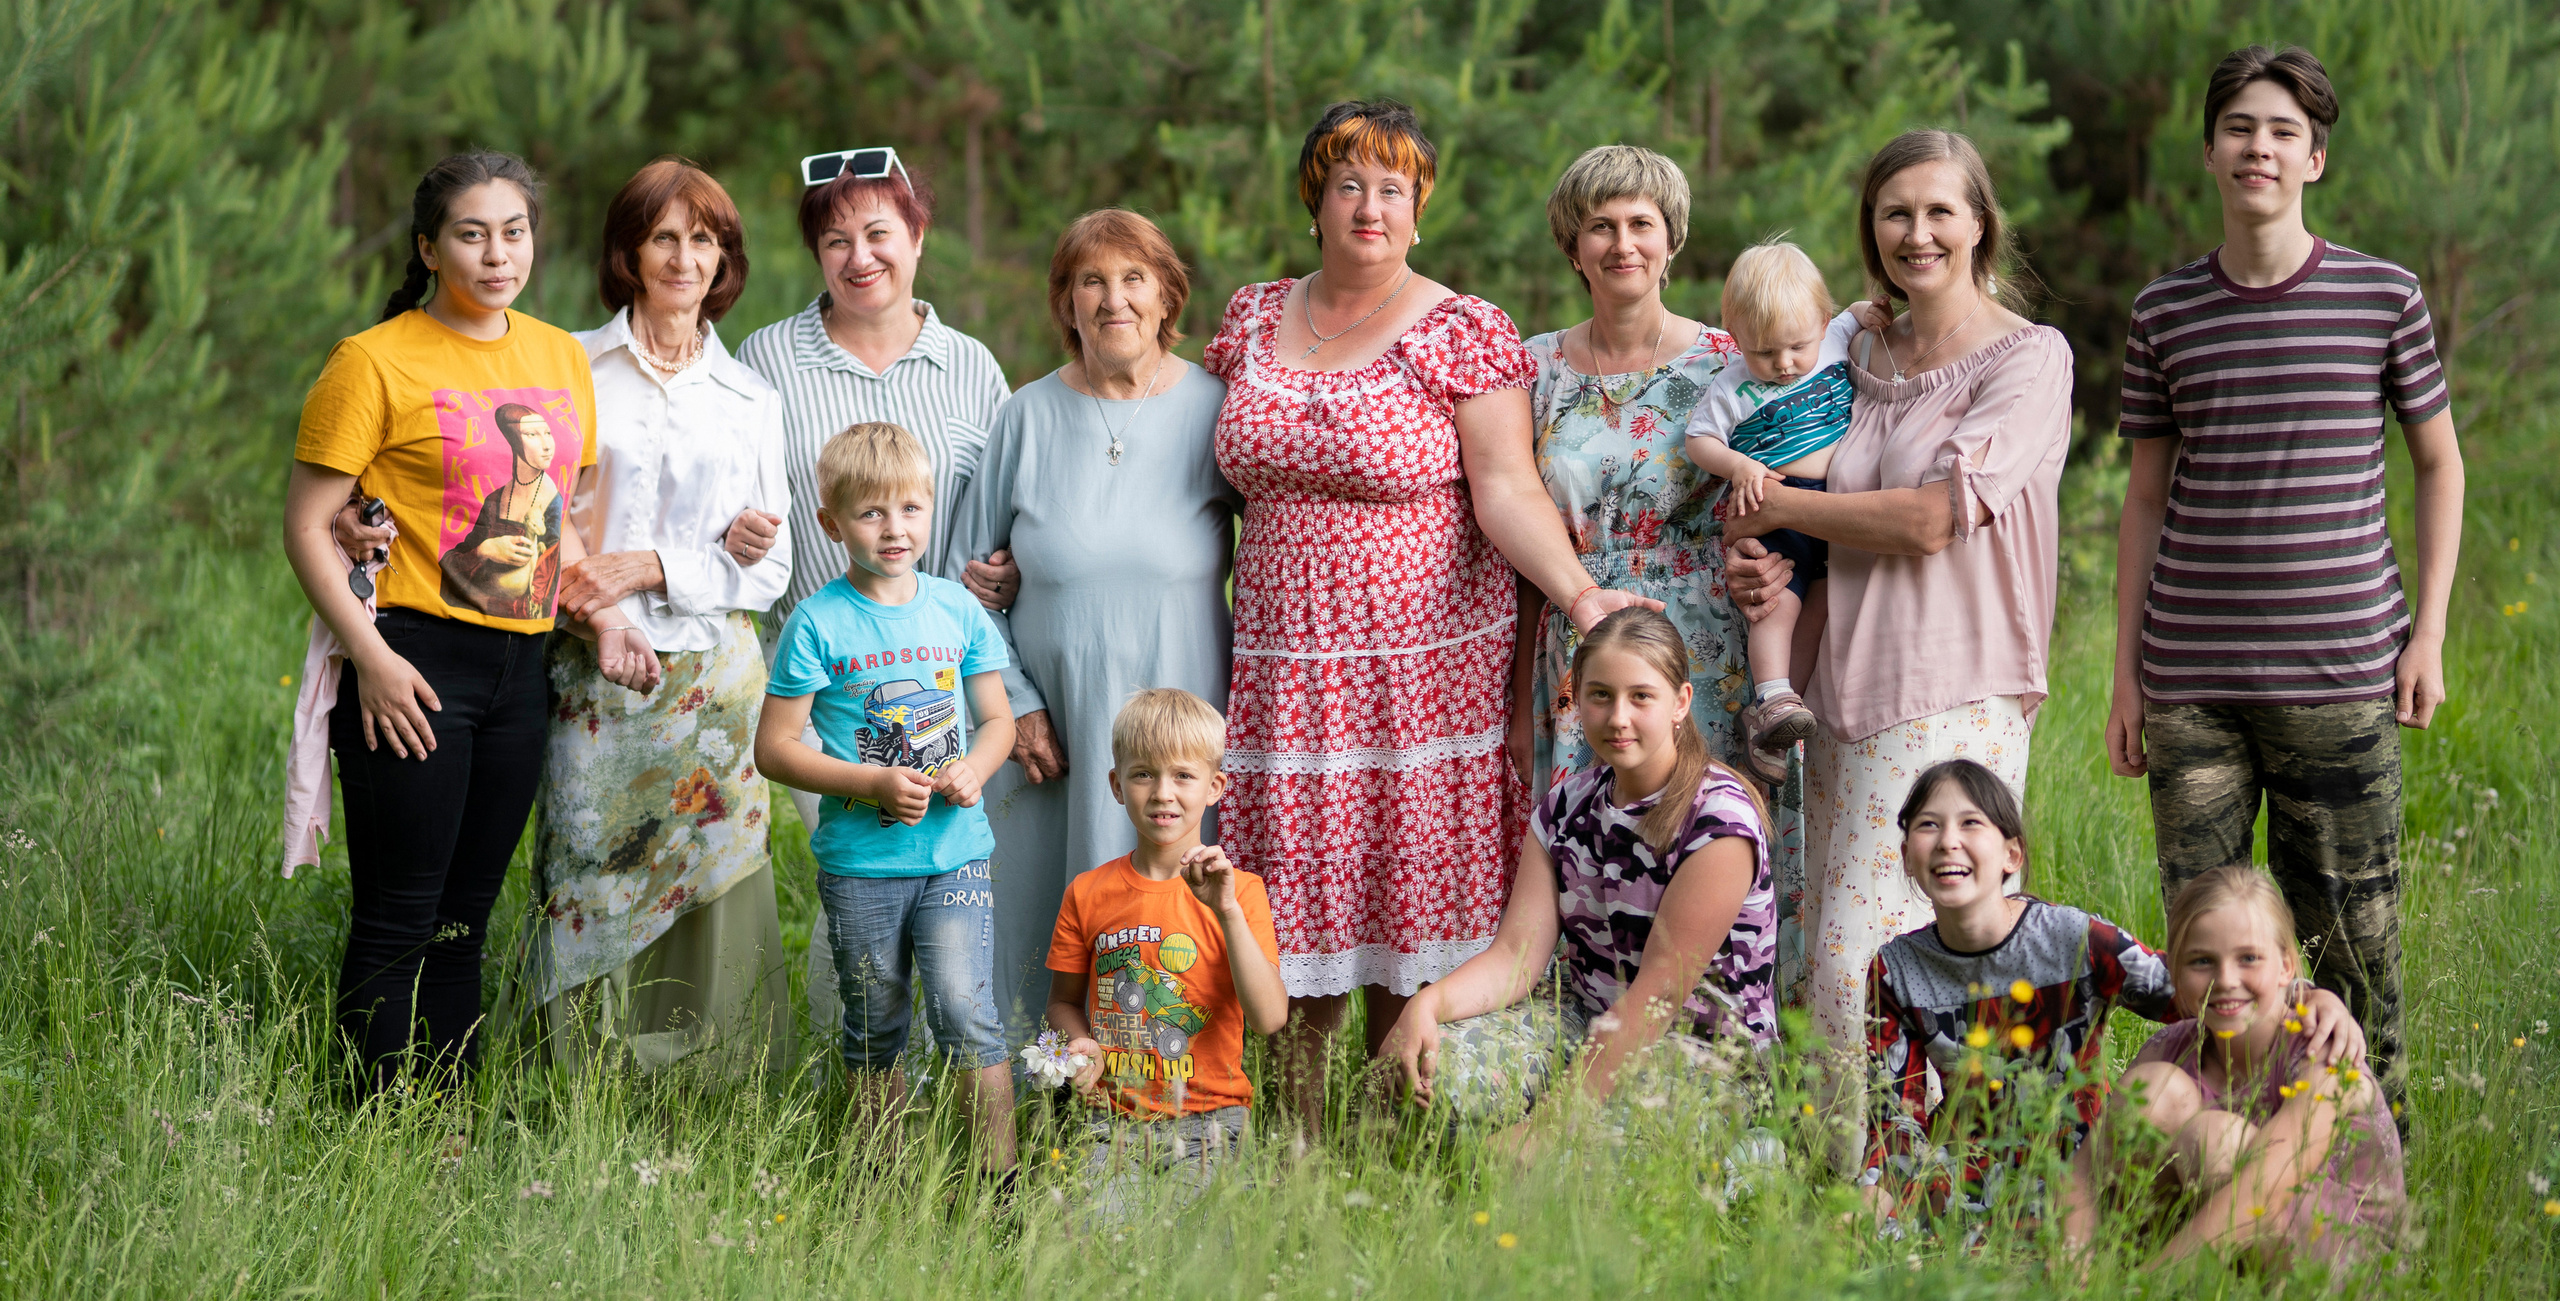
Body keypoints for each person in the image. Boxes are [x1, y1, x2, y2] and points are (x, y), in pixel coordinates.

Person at [1203, 99, 1656, 1136]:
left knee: (1398, 909)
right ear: (1314, 200)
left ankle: (1395, 1137)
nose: (1370, 206)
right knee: (1302, 902)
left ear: (1419, 212)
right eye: (1348, 183)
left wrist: (1581, 597)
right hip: (1284, 669)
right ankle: (1301, 1142)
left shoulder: (1460, 329)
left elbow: (1505, 488)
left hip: (1419, 670)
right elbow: (1199, 466)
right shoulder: (1249, 318)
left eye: (1394, 189)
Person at [2106, 45, 2461, 1125]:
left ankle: (2364, 1178)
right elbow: (2143, 502)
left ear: (2313, 157)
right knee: (2205, 956)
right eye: (2238, 129)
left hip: (2340, 676)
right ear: (2211, 151)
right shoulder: (2164, 311)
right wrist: (2125, 678)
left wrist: (2428, 633)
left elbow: (2439, 462)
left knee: (2353, 941)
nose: (2257, 147)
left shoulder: (2380, 294)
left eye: (2280, 132)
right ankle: (2212, 1164)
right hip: (2189, 686)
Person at [280, 150, 639, 1089]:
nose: (496, 254)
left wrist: (599, 615)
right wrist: (372, 658)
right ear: (430, 248)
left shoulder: (561, 354)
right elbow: (309, 524)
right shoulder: (374, 359)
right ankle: (369, 1126)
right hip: (412, 661)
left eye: (513, 231)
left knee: (465, 918)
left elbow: (566, 515)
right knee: (401, 912)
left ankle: (439, 1122)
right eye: (471, 234)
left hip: (523, 673)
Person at [1721, 130, 2074, 1077]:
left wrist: (1775, 501)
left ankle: (1893, 1193)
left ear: (1980, 223)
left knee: (1871, 959)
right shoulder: (1860, 346)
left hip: (1953, 689)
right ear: (1871, 230)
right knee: (1832, 959)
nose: (1918, 233)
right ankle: (1861, 1185)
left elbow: (1928, 519)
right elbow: (1797, 485)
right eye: (1895, 214)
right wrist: (1764, 562)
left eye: (1939, 211)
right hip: (1838, 687)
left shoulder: (2028, 359)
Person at [734, 148, 1012, 1046]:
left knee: (945, 898)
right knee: (862, 897)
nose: (860, 256)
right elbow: (732, 496)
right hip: (826, 695)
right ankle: (861, 1081)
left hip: (947, 685)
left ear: (918, 238)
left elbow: (1001, 508)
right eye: (835, 239)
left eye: (879, 233)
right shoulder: (767, 359)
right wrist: (734, 535)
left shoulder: (969, 366)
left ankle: (956, 1083)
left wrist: (1003, 567)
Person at [528, 157, 797, 1077]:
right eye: (666, 238)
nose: (686, 258)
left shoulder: (752, 398)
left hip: (714, 682)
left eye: (706, 240)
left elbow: (773, 570)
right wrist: (607, 603)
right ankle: (581, 1086)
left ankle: (713, 1085)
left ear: (724, 261)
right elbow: (540, 522)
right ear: (629, 253)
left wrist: (652, 564)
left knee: (712, 874)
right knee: (589, 873)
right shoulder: (568, 367)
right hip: (592, 673)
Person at [945, 209, 1237, 1046]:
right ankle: (1047, 1100)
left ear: (1168, 295)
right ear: (1066, 303)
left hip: (1180, 731)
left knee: (1174, 917)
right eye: (1091, 281)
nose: (1114, 300)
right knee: (1044, 919)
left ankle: (1179, 1097)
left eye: (1133, 279)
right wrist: (1021, 704)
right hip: (1054, 733)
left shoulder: (1216, 408)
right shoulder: (1026, 416)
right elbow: (963, 586)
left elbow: (1282, 541)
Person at [1859, 761, 2361, 1221]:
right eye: (1929, 825)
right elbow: (1893, 1119)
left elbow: (2194, 991)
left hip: (2080, 1168)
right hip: (1965, 1174)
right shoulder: (1895, 970)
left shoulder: (2072, 940)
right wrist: (1869, 1202)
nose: (1948, 840)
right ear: (1906, 857)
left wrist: (2309, 995)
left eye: (1970, 823)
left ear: (2012, 854)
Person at [1379, 609, 1776, 1157]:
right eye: (1600, 695)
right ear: (1575, 698)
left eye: (1641, 697)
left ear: (1681, 701)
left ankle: (1751, 1159)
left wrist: (1550, 1127)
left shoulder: (1718, 822)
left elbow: (1656, 999)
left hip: (1699, 1052)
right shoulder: (1567, 805)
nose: (1618, 717)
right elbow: (1516, 957)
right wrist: (1425, 1006)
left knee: (1585, 1162)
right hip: (1584, 1025)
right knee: (1434, 1070)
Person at [754, 421, 1017, 1177]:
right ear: (831, 523)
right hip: (862, 864)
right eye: (871, 513)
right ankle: (881, 1186)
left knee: (967, 1014)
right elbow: (775, 748)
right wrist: (871, 782)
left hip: (955, 854)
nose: (894, 528)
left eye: (910, 508)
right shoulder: (817, 621)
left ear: (931, 509)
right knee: (874, 1025)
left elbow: (996, 719)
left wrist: (973, 767)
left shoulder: (957, 610)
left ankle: (998, 1186)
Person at [2065, 865, 2405, 1269]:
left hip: (2339, 1260)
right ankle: (2147, 1270)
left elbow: (2267, 1187)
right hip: (2212, 1252)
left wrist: (2148, 1289)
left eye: (2248, 958)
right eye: (2202, 961)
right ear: (2174, 971)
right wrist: (2074, 1275)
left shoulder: (2323, 1053)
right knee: (2151, 1093)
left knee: (2215, 1141)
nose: (2225, 980)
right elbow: (2082, 1175)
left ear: (2285, 966)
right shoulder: (2169, 1048)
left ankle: (2161, 1280)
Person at [1045, 689, 1285, 1213]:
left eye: (1182, 775)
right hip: (1108, 1122)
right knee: (1089, 1245)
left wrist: (1226, 913)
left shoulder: (1240, 892)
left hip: (1210, 1124)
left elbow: (1268, 1018)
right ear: (1116, 785)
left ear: (1214, 787)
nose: (1162, 793)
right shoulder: (1087, 893)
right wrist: (1080, 1043)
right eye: (1142, 774)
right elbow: (1062, 1002)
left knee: (1199, 1257)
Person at [1681, 240, 1862, 776]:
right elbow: (1698, 440)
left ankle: (1780, 714)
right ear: (1734, 340)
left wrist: (1872, 313)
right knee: (1777, 604)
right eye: (1763, 353)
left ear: (1822, 322)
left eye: (1796, 347)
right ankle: (1774, 695)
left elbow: (1858, 316)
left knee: (1822, 606)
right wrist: (1737, 465)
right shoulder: (1733, 386)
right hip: (1777, 509)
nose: (1783, 364)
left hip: (1839, 510)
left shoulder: (1836, 337)